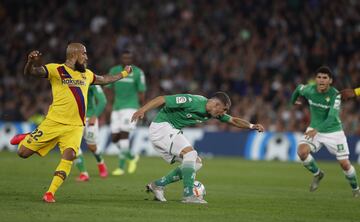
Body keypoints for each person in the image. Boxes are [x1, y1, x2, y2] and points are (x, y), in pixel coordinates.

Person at [15, 43, 132, 203]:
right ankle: (27, 137)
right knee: (22, 153)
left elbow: (105, 79)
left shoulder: (87, 75)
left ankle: (50, 193)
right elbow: (31, 72)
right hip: (53, 122)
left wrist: (124, 73)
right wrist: (30, 62)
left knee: (69, 156)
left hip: (75, 126)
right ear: (74, 55)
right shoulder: (56, 70)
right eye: (84, 54)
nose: (86, 57)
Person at [131, 92, 264, 204]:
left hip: (168, 132)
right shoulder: (193, 101)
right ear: (216, 104)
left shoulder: (213, 112)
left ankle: (158, 185)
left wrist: (252, 126)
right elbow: (162, 99)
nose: (222, 113)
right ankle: (189, 195)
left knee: (196, 163)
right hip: (162, 127)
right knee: (190, 154)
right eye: (223, 109)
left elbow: (233, 120)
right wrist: (142, 110)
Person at [290, 66, 360, 197]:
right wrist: (293, 101)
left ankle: (356, 189)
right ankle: (318, 174)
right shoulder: (309, 90)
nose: (321, 80)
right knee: (302, 152)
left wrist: (317, 130)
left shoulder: (335, 95)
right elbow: (298, 88)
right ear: (315, 79)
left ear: (330, 81)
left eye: (325, 78)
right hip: (315, 129)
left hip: (333, 131)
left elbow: (331, 117)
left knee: (344, 164)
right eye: (319, 77)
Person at [106, 50, 146, 176]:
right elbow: (108, 87)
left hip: (131, 107)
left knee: (124, 134)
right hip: (117, 107)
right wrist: (109, 104)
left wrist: (141, 109)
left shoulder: (138, 73)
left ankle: (121, 167)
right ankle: (132, 157)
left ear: (132, 59)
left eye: (129, 58)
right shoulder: (114, 71)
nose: (127, 60)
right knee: (114, 138)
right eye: (124, 58)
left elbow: (141, 92)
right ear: (121, 59)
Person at [75, 85, 108, 182]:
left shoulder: (91, 80)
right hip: (74, 119)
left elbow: (103, 101)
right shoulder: (68, 79)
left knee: (92, 147)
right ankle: (83, 173)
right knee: (73, 146)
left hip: (90, 118)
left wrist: (94, 116)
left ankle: (100, 162)